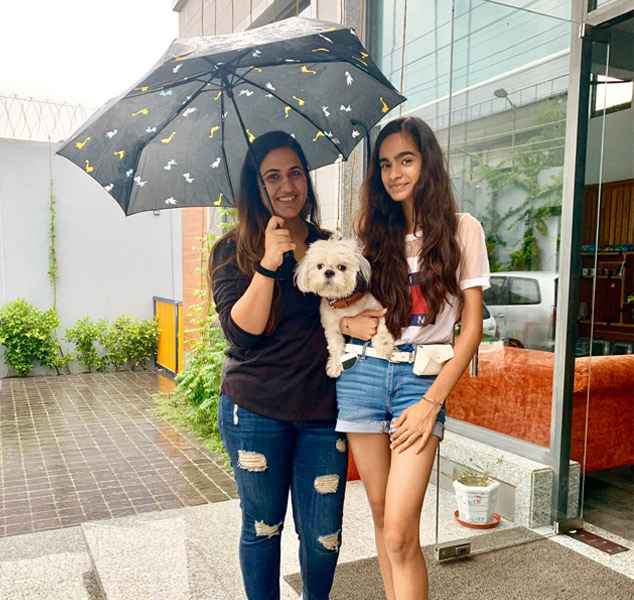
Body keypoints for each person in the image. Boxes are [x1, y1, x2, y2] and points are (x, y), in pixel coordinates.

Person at [336, 116, 490, 600]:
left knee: (402, 531)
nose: (394, 173)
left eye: (406, 160)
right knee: (382, 516)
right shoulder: (369, 235)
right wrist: (345, 324)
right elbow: (337, 301)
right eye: (385, 165)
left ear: (428, 164)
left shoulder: (462, 230)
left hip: (419, 383)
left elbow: (471, 330)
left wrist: (430, 404)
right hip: (362, 375)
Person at [209, 131, 348, 600]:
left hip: (323, 411)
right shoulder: (231, 250)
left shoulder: (330, 247)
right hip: (255, 410)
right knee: (263, 527)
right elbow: (241, 333)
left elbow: (351, 312)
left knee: (324, 537)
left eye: (295, 173)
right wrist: (269, 262)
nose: (287, 186)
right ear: (256, 186)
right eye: (272, 177)